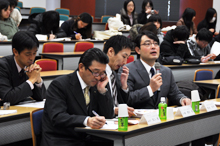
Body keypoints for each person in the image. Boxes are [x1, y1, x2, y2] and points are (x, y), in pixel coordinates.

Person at [41, 48, 114, 146]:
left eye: (102, 73)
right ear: (81, 67)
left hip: (87, 139)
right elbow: (57, 117)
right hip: (62, 140)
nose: (98, 77)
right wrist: (86, 121)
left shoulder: (97, 85)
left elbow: (108, 116)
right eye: (95, 72)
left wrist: (102, 91)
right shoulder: (59, 85)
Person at [118, 31, 191, 109]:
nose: (153, 47)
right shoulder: (127, 70)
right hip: (138, 118)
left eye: (156, 43)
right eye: (148, 44)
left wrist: (182, 99)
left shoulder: (166, 71)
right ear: (138, 50)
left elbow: (174, 93)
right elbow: (127, 99)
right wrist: (150, 89)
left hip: (161, 117)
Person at [0, 31, 46, 106]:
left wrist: (38, 80)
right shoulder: (2, 66)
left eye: (34, 53)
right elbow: (7, 98)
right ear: (15, 52)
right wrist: (31, 80)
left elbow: (41, 97)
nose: (31, 58)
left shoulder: (29, 67)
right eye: (28, 54)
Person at [103, 35, 134, 117]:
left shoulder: (114, 74)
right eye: (124, 56)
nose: (125, 62)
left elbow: (123, 102)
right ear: (111, 52)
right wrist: (113, 110)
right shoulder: (97, 74)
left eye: (127, 58)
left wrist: (124, 86)